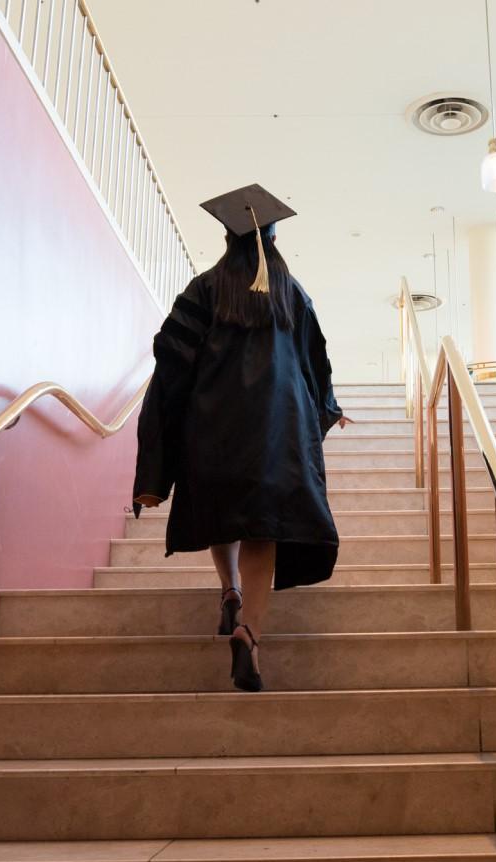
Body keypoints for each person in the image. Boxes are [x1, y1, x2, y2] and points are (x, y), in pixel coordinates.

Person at [132, 184, 349, 692]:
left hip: (212, 431)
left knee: (221, 514)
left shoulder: (203, 289)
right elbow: (315, 366)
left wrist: (162, 448)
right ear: (273, 241)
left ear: (228, 240)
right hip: (276, 438)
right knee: (261, 528)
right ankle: (249, 632)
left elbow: (171, 360)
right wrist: (327, 411)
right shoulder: (293, 294)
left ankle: (228, 592)